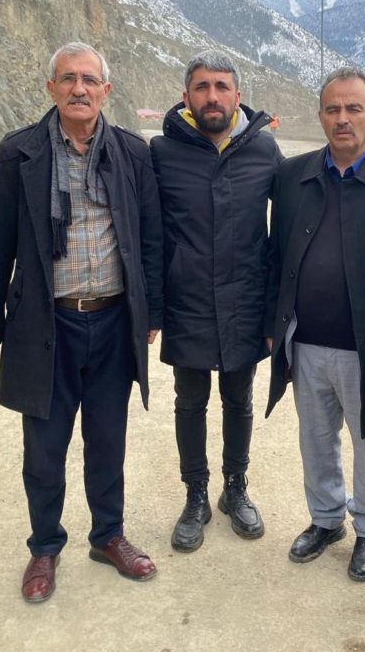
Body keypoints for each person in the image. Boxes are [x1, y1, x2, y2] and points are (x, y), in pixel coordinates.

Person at [0, 42, 164, 602]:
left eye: (88, 79)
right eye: (67, 79)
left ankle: (108, 536)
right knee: (45, 446)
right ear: (51, 88)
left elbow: (150, 239)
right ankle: (44, 547)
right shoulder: (20, 152)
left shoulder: (132, 153)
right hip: (45, 324)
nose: (79, 88)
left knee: (107, 439)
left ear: (105, 89)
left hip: (112, 322)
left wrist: (151, 311)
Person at [265, 66, 365, 581]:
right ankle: (326, 520)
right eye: (333, 109)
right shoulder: (292, 176)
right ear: (321, 115)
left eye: (354, 108)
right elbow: (276, 254)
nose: (343, 118)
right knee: (315, 438)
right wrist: (273, 325)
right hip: (305, 342)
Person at [150, 51, 282, 551]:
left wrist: (278, 308)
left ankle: (235, 487)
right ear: (186, 97)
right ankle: (196, 495)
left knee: (239, 399)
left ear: (237, 96)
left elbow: (292, 224)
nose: (212, 96)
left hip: (245, 301)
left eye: (222, 87)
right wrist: (153, 307)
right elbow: (148, 235)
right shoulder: (162, 152)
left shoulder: (264, 150)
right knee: (189, 401)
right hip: (187, 302)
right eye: (202, 87)